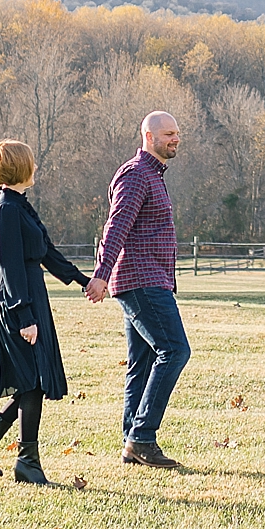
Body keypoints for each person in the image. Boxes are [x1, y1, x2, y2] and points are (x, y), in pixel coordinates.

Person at [0, 139, 91, 485]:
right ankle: (24, 460)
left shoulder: (21, 206)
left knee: (33, 381)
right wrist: (24, 316)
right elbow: (10, 265)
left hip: (32, 295)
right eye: (31, 163)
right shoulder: (6, 210)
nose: (36, 167)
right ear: (21, 167)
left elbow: (46, 251)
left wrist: (81, 279)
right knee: (31, 380)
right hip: (17, 299)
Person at [84, 110, 190, 469]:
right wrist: (100, 273)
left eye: (177, 133)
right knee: (175, 350)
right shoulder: (136, 174)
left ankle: (133, 443)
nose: (175, 139)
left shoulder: (154, 175)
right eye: (168, 134)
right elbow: (116, 227)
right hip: (140, 279)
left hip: (149, 277)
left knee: (142, 363)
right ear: (149, 136)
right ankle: (142, 437)